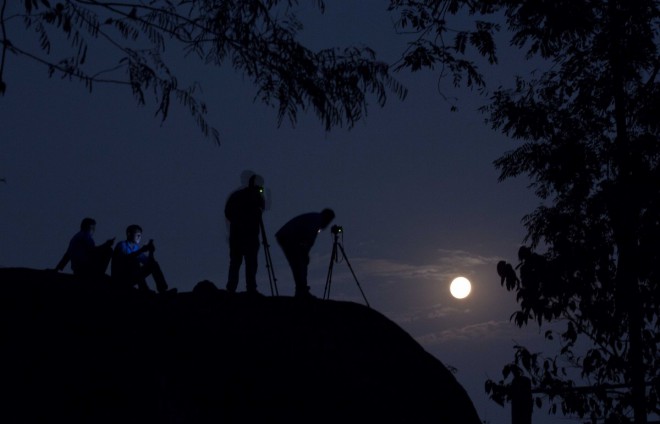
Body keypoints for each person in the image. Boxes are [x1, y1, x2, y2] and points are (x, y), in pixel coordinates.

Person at [275, 208, 335, 298]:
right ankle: (301, 291)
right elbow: (308, 237)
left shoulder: (315, 219)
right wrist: (304, 252)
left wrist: (305, 252)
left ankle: (301, 289)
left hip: (288, 236)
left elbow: (306, 238)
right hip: (289, 237)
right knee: (299, 263)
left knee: (298, 263)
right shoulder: (317, 220)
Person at [224, 173, 265, 294]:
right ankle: (251, 288)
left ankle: (231, 288)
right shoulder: (255, 196)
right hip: (250, 235)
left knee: (235, 262)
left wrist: (237, 222)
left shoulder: (236, 196)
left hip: (236, 235)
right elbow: (261, 208)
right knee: (250, 262)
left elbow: (228, 212)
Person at [111, 224, 169, 294]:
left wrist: (151, 252)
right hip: (121, 277)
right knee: (134, 261)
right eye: (137, 234)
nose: (139, 237)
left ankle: (162, 290)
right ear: (129, 234)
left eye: (140, 235)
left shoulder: (136, 248)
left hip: (132, 277)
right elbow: (125, 260)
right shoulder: (122, 245)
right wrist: (141, 250)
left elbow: (148, 263)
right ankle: (144, 289)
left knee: (154, 264)